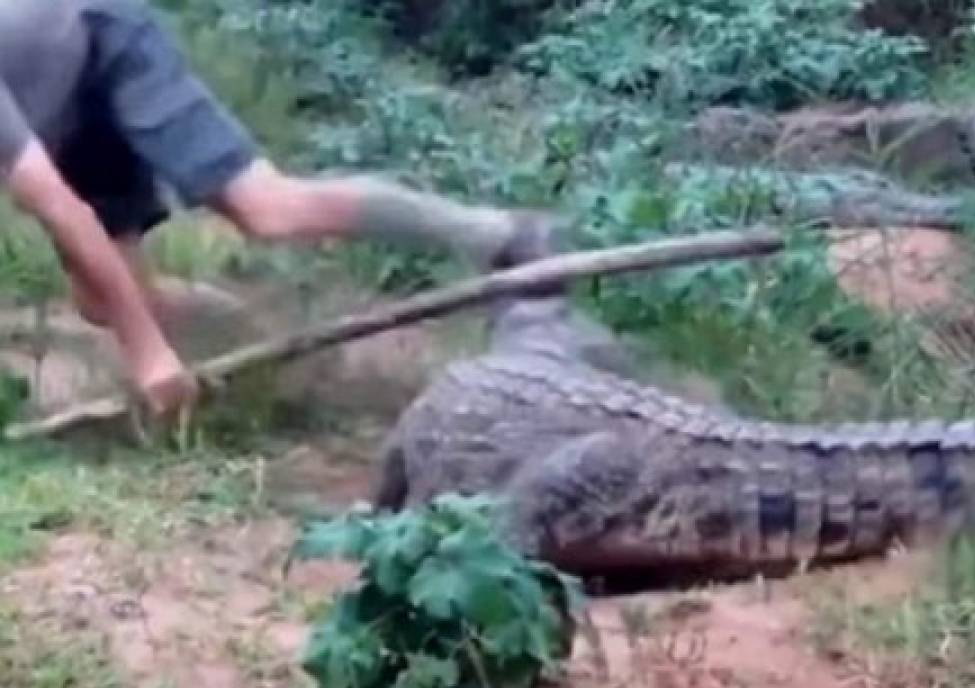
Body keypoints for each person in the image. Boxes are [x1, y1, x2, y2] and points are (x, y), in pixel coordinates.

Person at [0, 0, 560, 420]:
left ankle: (501, 235)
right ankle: (272, 359)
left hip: (102, 39)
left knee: (268, 209)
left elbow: (61, 209)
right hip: (53, 102)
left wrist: (145, 351)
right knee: (108, 300)